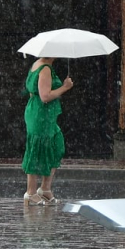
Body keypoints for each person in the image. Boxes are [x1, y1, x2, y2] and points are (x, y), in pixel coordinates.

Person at [22, 55, 74, 205]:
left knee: (56, 145)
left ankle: (45, 189)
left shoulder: (39, 64)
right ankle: (31, 192)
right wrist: (65, 87)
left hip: (43, 115)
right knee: (37, 148)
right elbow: (45, 96)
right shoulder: (44, 68)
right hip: (41, 115)